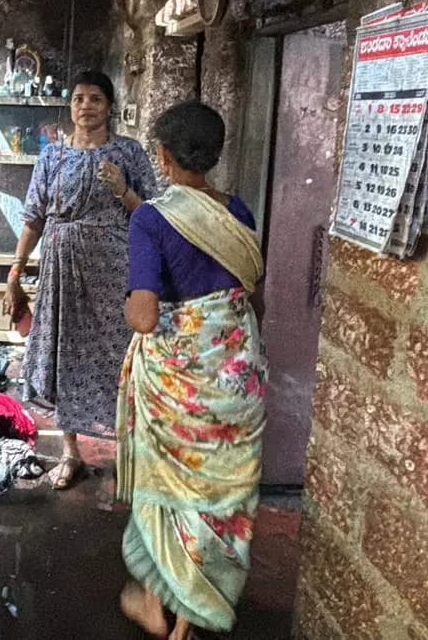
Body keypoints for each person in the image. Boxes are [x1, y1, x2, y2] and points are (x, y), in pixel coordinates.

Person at [116, 100, 266, 640]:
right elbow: (252, 298)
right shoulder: (239, 213)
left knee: (169, 488)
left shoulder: (151, 219)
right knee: (215, 498)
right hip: (235, 379)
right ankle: (186, 619)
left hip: (177, 385)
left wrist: (128, 302)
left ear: (163, 156)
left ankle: (157, 603)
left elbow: (144, 316)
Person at [4, 71, 156, 490]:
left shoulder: (128, 153)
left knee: (119, 357)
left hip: (113, 271)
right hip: (61, 270)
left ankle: (127, 452)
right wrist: (15, 274)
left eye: (95, 99)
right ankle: (70, 453)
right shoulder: (52, 156)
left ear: (109, 107)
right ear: (70, 107)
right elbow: (33, 219)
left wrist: (123, 190)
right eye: (78, 99)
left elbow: (153, 216)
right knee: (63, 352)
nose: (85, 106)